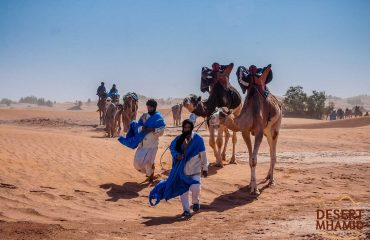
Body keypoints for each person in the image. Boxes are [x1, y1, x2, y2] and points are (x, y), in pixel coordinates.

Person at [149, 119, 208, 218]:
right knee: (183, 191)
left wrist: (205, 168)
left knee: (195, 187)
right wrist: (177, 155)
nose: (187, 129)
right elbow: (172, 148)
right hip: (182, 170)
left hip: (195, 169)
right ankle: (186, 211)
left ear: (192, 128)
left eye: (189, 128)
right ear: (183, 128)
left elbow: (203, 154)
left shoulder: (198, 139)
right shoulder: (178, 139)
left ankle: (195, 202)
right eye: (185, 128)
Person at [118, 99, 166, 183]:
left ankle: (151, 177)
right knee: (137, 163)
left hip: (152, 145)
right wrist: (142, 128)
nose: (148, 108)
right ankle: (150, 170)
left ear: (154, 107)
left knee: (149, 163)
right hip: (142, 144)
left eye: (150, 107)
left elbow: (161, 131)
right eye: (148, 107)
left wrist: (152, 129)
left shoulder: (159, 118)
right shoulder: (144, 116)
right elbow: (138, 126)